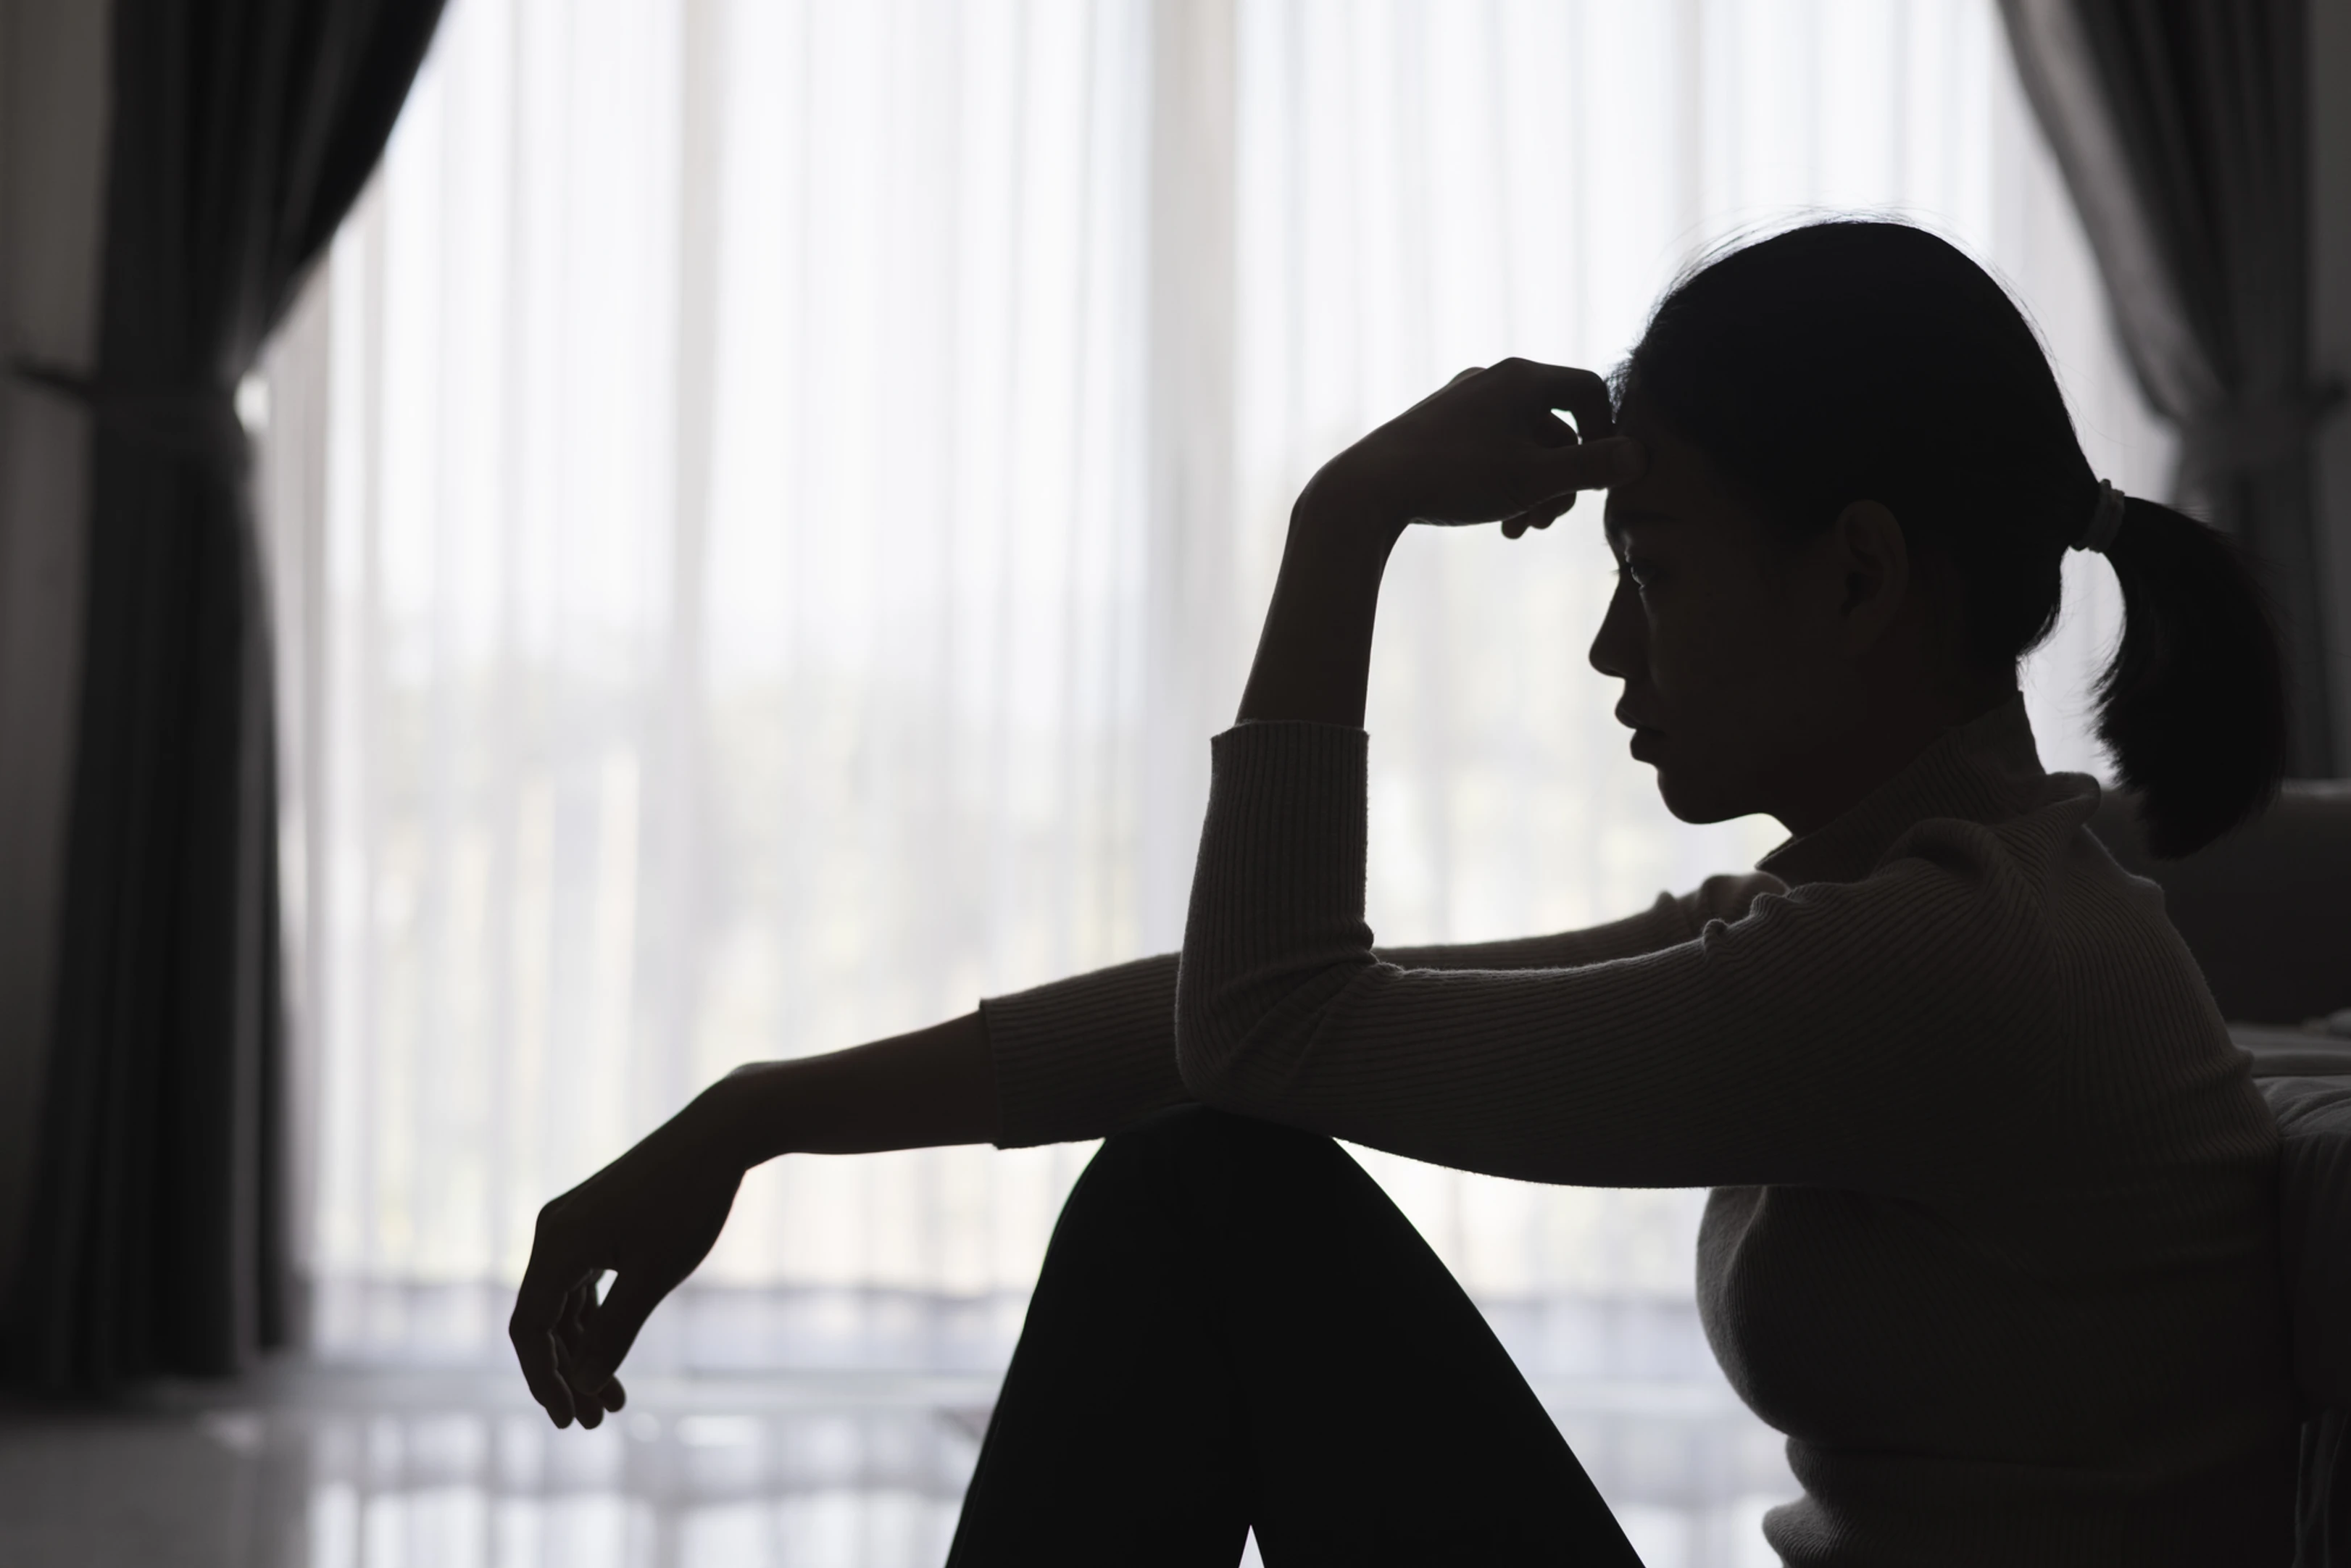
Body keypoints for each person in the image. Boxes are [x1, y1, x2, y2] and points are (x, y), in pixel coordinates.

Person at [508, 221, 2298, 1565]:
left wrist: (1343, 520)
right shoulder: (1911, 909)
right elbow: (1225, 1024)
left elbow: (1266, 1028)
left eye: (1652, 572)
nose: (1610, 646)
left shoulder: (1935, 960)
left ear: (1854, 575)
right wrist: (752, 1118)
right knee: (1204, 1172)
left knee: (1207, 1198)